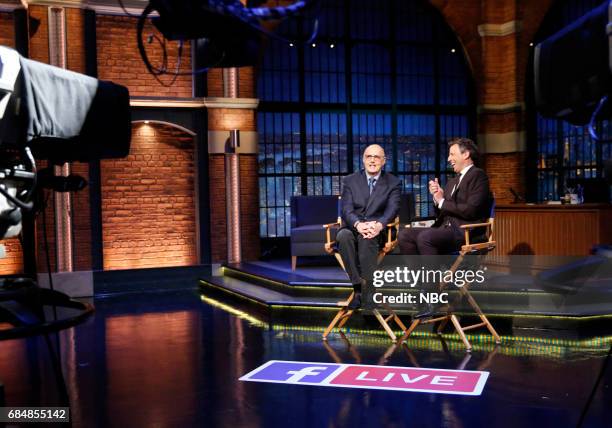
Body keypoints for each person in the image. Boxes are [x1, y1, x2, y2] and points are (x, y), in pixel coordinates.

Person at [398, 137, 491, 256]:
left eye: (452, 154)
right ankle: (419, 274)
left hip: (464, 232)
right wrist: (437, 198)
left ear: (466, 154)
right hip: (444, 229)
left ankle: (432, 275)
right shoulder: (452, 181)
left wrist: (442, 201)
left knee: (425, 237)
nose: (448, 159)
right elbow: (441, 213)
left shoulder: (478, 176)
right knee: (405, 235)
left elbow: (471, 210)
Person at [336, 144, 401, 309]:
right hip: (354, 226)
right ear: (363, 159)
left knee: (368, 238)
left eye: (377, 157)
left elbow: (392, 209)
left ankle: (370, 289)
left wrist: (379, 225)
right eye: (368, 157)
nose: (372, 160)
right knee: (343, 236)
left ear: (384, 161)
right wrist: (358, 224)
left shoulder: (393, 182)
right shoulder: (350, 180)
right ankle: (358, 289)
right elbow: (346, 209)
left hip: (379, 229)